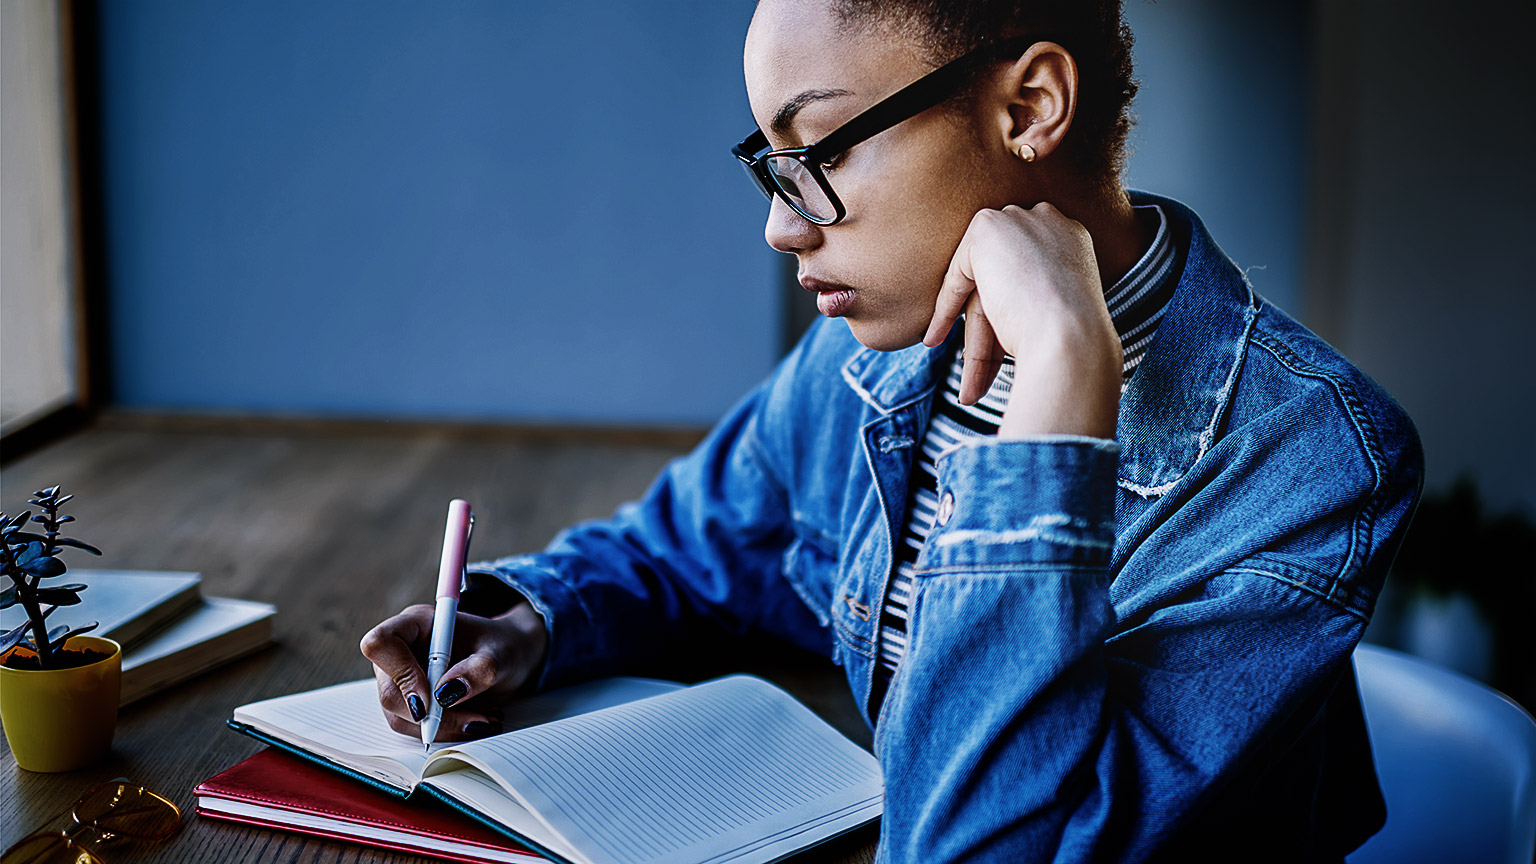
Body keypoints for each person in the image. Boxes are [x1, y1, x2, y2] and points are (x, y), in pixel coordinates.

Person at [361, 1, 1422, 861]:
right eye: (769, 162)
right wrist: (532, 624)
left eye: (817, 146)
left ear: (1031, 105)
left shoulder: (1313, 461)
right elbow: (696, 546)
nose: (782, 225)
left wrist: (1061, 389)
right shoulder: (868, 349)